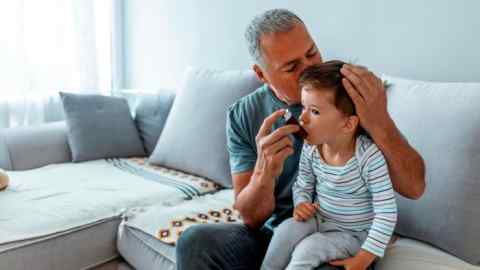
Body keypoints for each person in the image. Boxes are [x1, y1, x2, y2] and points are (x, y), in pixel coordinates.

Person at [176, 9, 425, 270]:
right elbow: (251, 218)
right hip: (279, 233)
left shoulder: (348, 95)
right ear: (261, 74)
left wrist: (379, 119)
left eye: (312, 53)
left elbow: (414, 187)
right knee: (194, 241)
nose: (309, 70)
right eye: (292, 67)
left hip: (342, 237)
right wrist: (265, 173)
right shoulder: (243, 114)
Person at [261, 60, 397, 270]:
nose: (302, 118)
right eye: (303, 107)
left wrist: (364, 258)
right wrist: (301, 203)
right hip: (321, 220)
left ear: (348, 124)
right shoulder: (312, 148)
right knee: (286, 230)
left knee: (309, 248)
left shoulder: (368, 157)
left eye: (314, 111)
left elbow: (386, 212)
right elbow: (303, 184)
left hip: (356, 235)